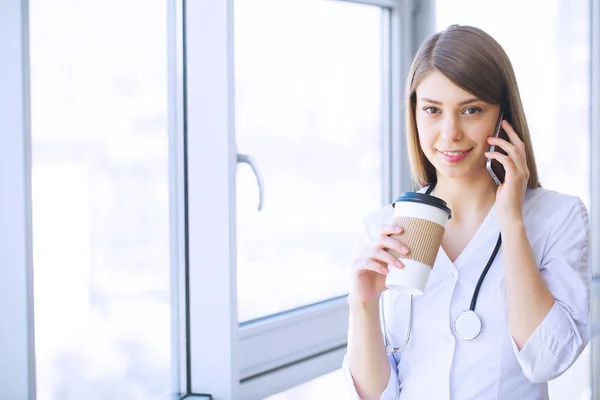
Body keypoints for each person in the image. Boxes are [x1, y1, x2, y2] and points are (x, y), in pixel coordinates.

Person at [342, 25, 591, 400]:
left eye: (471, 109)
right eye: (432, 110)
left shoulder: (557, 218)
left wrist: (511, 220)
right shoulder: (381, 228)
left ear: (502, 115)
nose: (450, 132)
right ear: (414, 114)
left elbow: (546, 361)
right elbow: (376, 395)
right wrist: (362, 303)